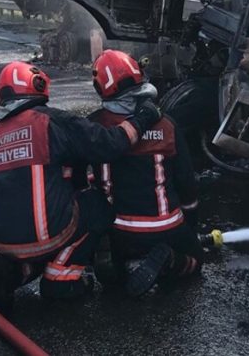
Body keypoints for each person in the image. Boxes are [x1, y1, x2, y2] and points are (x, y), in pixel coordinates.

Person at [0, 61, 161, 311]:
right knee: (96, 206)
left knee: (34, 234)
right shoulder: (52, 122)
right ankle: (60, 277)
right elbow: (109, 144)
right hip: (49, 236)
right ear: (39, 86)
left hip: (5, 245)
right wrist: (145, 117)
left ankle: (13, 273)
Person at [87, 49, 204, 297]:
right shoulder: (167, 125)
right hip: (167, 227)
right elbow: (187, 184)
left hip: (119, 230)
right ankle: (170, 261)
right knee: (195, 260)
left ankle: (112, 262)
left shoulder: (94, 127)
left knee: (113, 274)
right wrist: (190, 228)